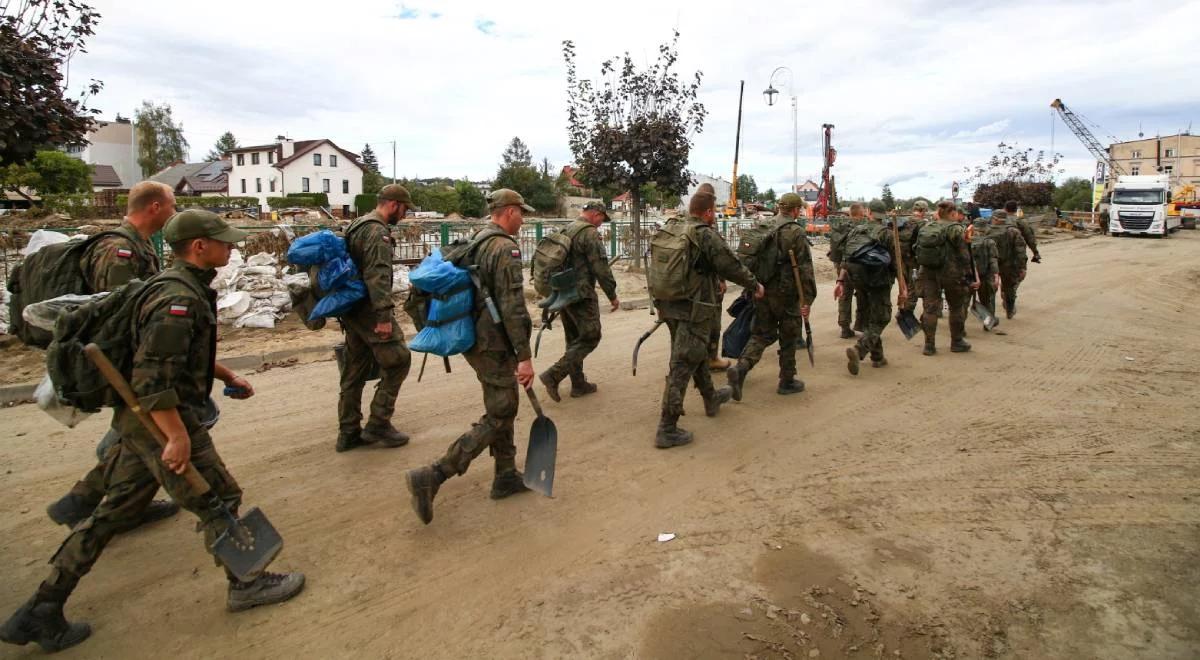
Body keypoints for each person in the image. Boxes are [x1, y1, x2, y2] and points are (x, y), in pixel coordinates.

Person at [1, 211, 305, 654]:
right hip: (162, 420)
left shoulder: (174, 287)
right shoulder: (175, 299)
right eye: (224, 241)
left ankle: (41, 607)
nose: (232, 247)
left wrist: (222, 374)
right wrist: (177, 436)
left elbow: (175, 356)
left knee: (114, 512)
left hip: (142, 421)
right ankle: (247, 583)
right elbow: (152, 379)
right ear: (199, 246)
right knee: (218, 496)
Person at [46, 181, 181, 530]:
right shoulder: (118, 250)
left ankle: (95, 502)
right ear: (154, 207)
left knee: (138, 432)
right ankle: (102, 507)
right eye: (172, 205)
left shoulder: (138, 245)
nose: (174, 211)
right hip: (125, 358)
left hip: (135, 357)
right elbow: (119, 313)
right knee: (144, 434)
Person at [404, 189, 537, 525]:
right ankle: (434, 474)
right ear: (508, 212)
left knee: (500, 403)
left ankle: (506, 475)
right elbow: (512, 307)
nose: (523, 219)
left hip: (474, 339)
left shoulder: (476, 240)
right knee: (502, 409)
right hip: (494, 343)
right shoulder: (504, 248)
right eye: (521, 213)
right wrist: (524, 356)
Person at [652, 188, 763, 449]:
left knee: (696, 353)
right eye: (715, 212)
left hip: (669, 304)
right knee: (682, 363)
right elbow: (730, 265)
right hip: (694, 307)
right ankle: (667, 428)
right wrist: (754, 284)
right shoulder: (704, 234)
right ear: (709, 212)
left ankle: (711, 397)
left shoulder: (674, 227)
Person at [335, 184, 414, 452]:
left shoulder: (357, 224)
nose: (404, 216)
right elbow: (377, 275)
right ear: (393, 205)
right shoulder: (377, 231)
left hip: (352, 311)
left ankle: (347, 432)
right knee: (399, 360)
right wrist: (383, 316)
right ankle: (378, 423)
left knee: (354, 369)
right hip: (370, 310)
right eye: (404, 210)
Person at [727, 192, 815, 398]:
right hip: (786, 293)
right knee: (789, 335)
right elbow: (805, 270)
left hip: (762, 289)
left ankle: (741, 368)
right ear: (794, 210)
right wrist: (808, 299)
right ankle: (787, 380)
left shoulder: (764, 226)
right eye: (799, 209)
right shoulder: (795, 232)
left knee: (762, 333)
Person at [539, 201, 619, 400]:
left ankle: (578, 384)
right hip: (582, 294)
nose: (601, 223)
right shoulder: (589, 233)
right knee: (591, 337)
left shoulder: (566, 229)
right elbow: (600, 267)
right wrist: (612, 295)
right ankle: (553, 375)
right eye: (602, 218)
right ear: (595, 213)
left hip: (564, 292)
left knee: (574, 339)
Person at [914, 200, 975, 355]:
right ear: (953, 213)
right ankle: (957, 342)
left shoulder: (927, 227)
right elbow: (964, 255)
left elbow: (916, 248)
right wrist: (969, 275)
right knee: (956, 307)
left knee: (930, 309)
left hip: (929, 272)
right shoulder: (956, 228)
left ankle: (929, 345)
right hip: (952, 274)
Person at [840, 210, 896, 374]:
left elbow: (846, 257)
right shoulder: (887, 233)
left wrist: (841, 279)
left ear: (870, 214)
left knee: (870, 315)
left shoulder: (857, 230)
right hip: (879, 281)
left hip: (858, 278)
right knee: (881, 317)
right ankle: (859, 350)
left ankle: (878, 357)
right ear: (882, 215)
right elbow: (895, 260)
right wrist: (903, 284)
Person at [827, 204, 867, 338]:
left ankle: (844, 327)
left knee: (844, 293)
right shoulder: (862, 226)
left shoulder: (839, 226)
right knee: (862, 294)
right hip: (858, 264)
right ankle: (862, 325)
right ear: (861, 213)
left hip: (840, 264)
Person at [987, 209, 1028, 320]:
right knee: (1009, 289)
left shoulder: (987, 231)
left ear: (995, 218)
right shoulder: (1013, 231)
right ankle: (1009, 311)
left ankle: (990, 315)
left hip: (990, 265)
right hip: (1009, 265)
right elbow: (1021, 251)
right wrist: (1022, 267)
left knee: (990, 290)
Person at [896, 200, 929, 318]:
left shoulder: (903, 222)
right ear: (924, 211)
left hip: (900, 259)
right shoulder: (924, 224)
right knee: (913, 287)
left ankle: (901, 308)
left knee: (903, 285)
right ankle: (906, 312)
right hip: (915, 260)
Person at [1004, 199, 1041, 264]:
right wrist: (1035, 252)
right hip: (1018, 252)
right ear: (1016, 209)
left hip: (1002, 253)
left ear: (1005, 209)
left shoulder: (999, 221)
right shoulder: (1021, 221)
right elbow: (1029, 238)